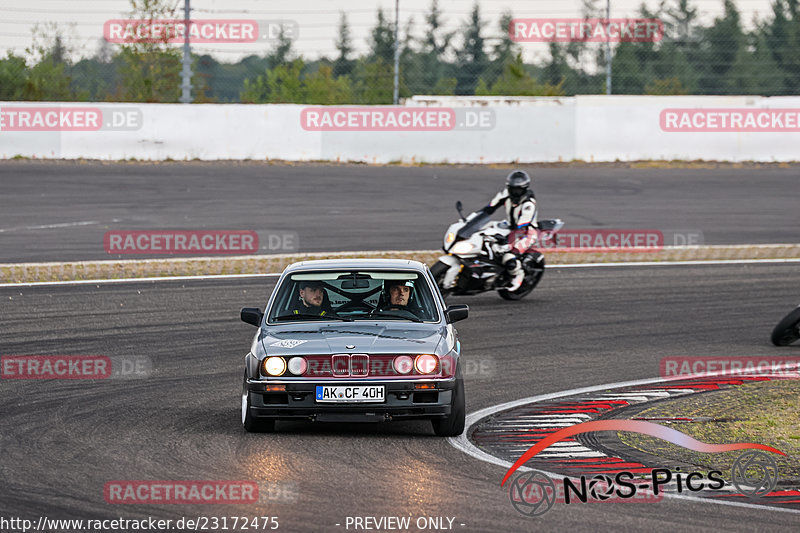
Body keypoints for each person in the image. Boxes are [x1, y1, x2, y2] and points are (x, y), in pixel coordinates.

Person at [480, 170, 537, 291]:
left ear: (525, 189)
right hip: (508, 226)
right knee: (482, 234)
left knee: (509, 255)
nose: (514, 193)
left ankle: (518, 274)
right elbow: (490, 208)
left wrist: (507, 241)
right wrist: (474, 218)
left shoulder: (528, 204)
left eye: (518, 190)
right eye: (512, 189)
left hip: (526, 232)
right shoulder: (505, 193)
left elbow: (522, 226)